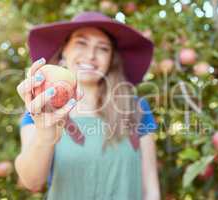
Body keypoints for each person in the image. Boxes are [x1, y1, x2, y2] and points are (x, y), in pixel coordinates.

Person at [15, 11, 160, 200]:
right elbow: (32, 181)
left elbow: (150, 186)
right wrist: (45, 135)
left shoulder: (137, 109)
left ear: (111, 59)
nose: (91, 55)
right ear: (64, 50)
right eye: (81, 43)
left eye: (103, 48)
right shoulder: (43, 110)